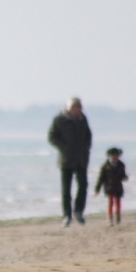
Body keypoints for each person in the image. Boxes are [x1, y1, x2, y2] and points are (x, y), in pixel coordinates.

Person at [48, 97, 92, 227]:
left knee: (83, 186)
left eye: (80, 107)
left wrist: (86, 148)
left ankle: (78, 212)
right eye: (78, 107)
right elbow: (51, 136)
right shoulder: (59, 119)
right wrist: (64, 147)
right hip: (66, 160)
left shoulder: (83, 119)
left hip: (81, 159)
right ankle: (66, 215)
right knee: (66, 190)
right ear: (72, 108)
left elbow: (88, 135)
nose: (80, 110)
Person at [94, 148, 128, 226]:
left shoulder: (121, 165)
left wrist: (125, 177)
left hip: (118, 187)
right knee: (110, 202)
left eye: (116, 155)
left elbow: (123, 175)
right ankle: (109, 218)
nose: (115, 157)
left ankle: (118, 215)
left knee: (118, 202)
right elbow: (100, 178)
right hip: (109, 187)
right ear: (109, 156)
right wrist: (97, 189)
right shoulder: (105, 166)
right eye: (113, 155)